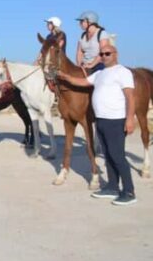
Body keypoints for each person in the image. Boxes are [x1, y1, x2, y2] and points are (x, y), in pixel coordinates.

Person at [57, 44, 137, 206]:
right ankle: (112, 187)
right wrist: (64, 76)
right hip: (100, 120)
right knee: (107, 156)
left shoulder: (123, 72)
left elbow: (130, 97)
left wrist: (130, 119)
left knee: (117, 156)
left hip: (116, 120)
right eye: (102, 54)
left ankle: (129, 191)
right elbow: (81, 81)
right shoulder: (100, 73)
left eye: (107, 53)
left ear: (115, 54)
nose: (104, 56)